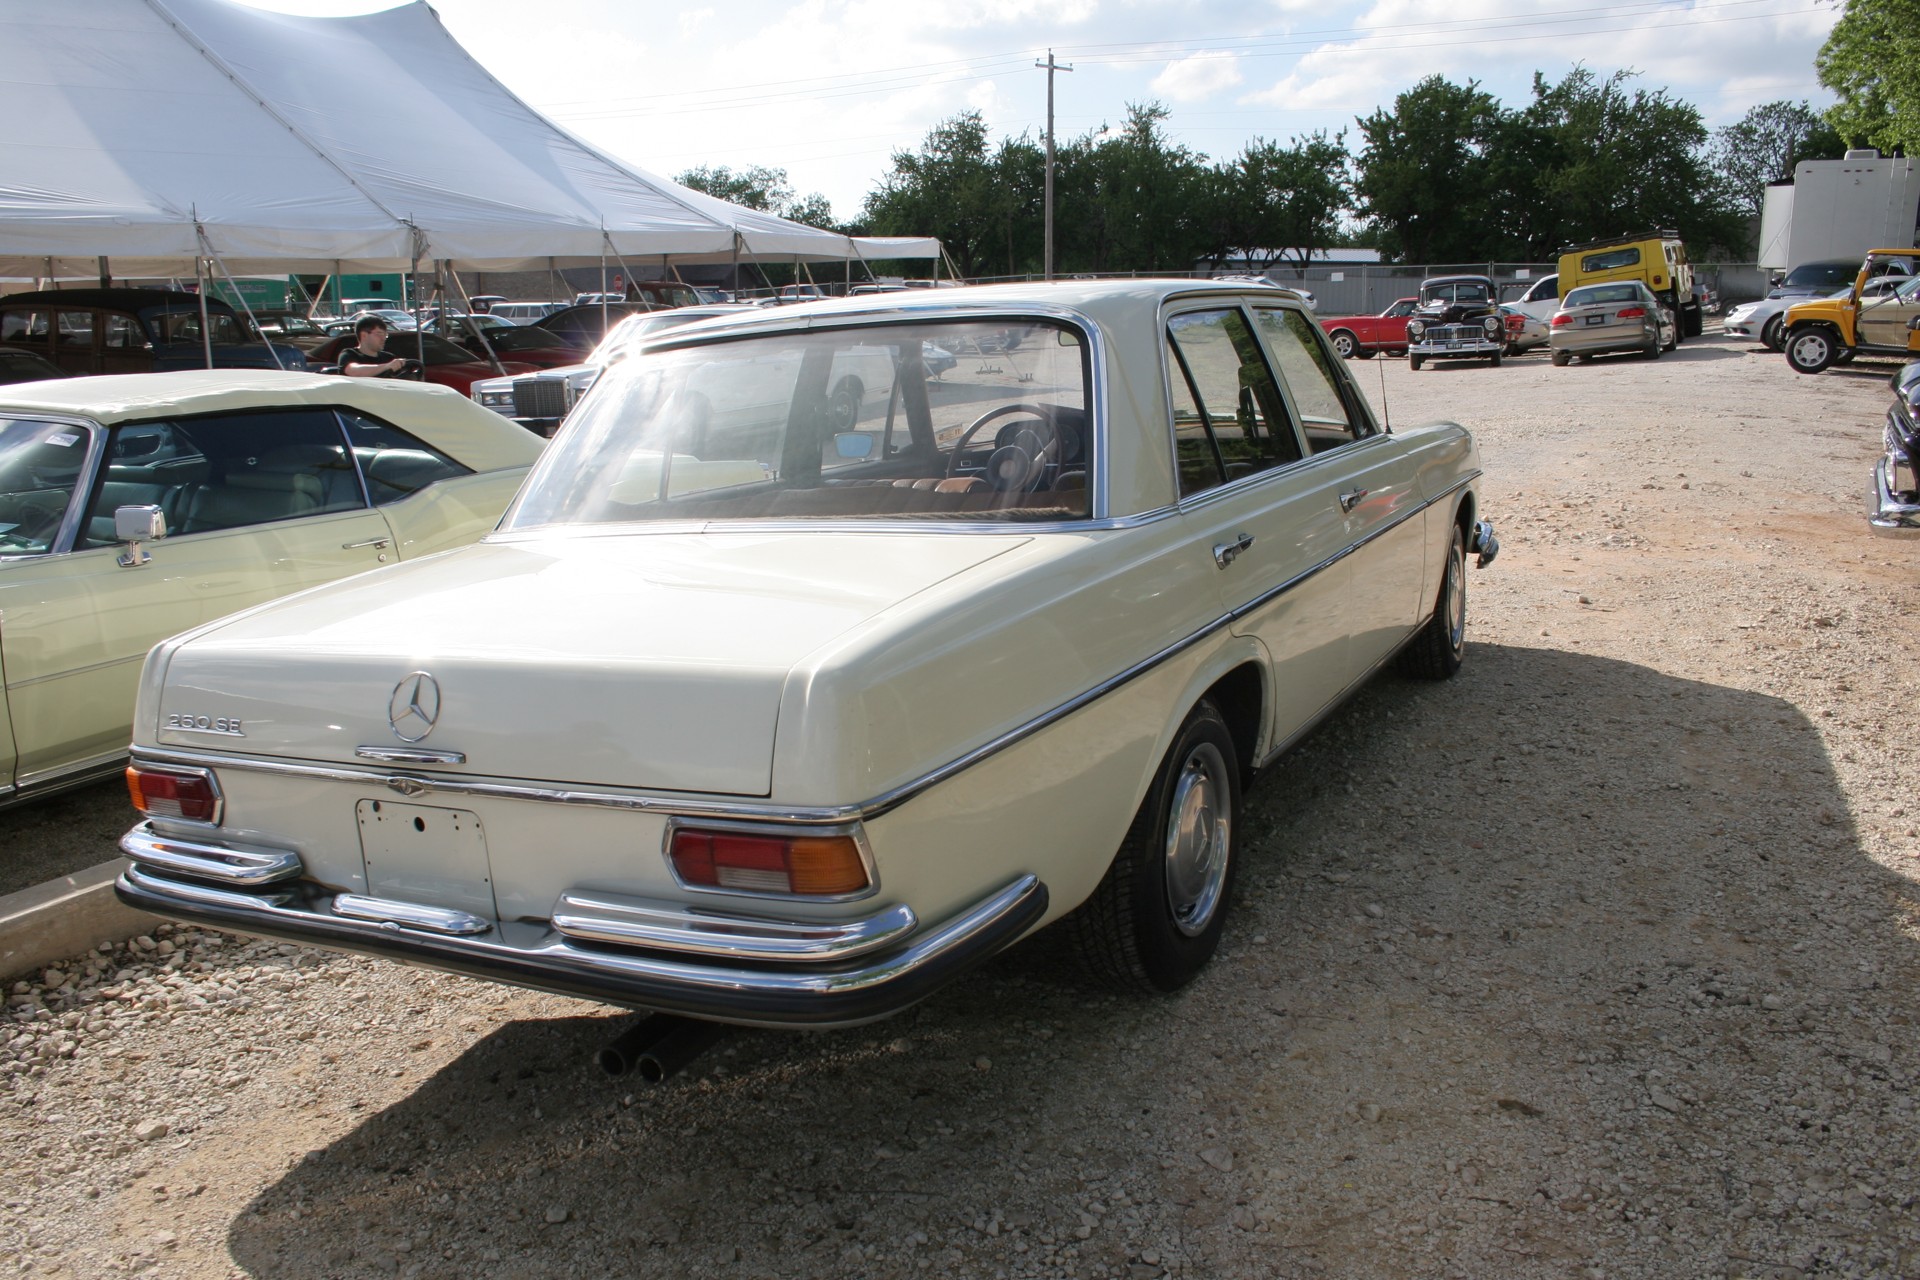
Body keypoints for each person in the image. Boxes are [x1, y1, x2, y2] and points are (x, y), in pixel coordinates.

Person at [338, 316, 411, 377]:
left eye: (385, 335)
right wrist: (387, 367)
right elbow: (353, 371)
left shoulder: (388, 358)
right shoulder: (349, 354)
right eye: (379, 334)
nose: (383, 338)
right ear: (364, 335)